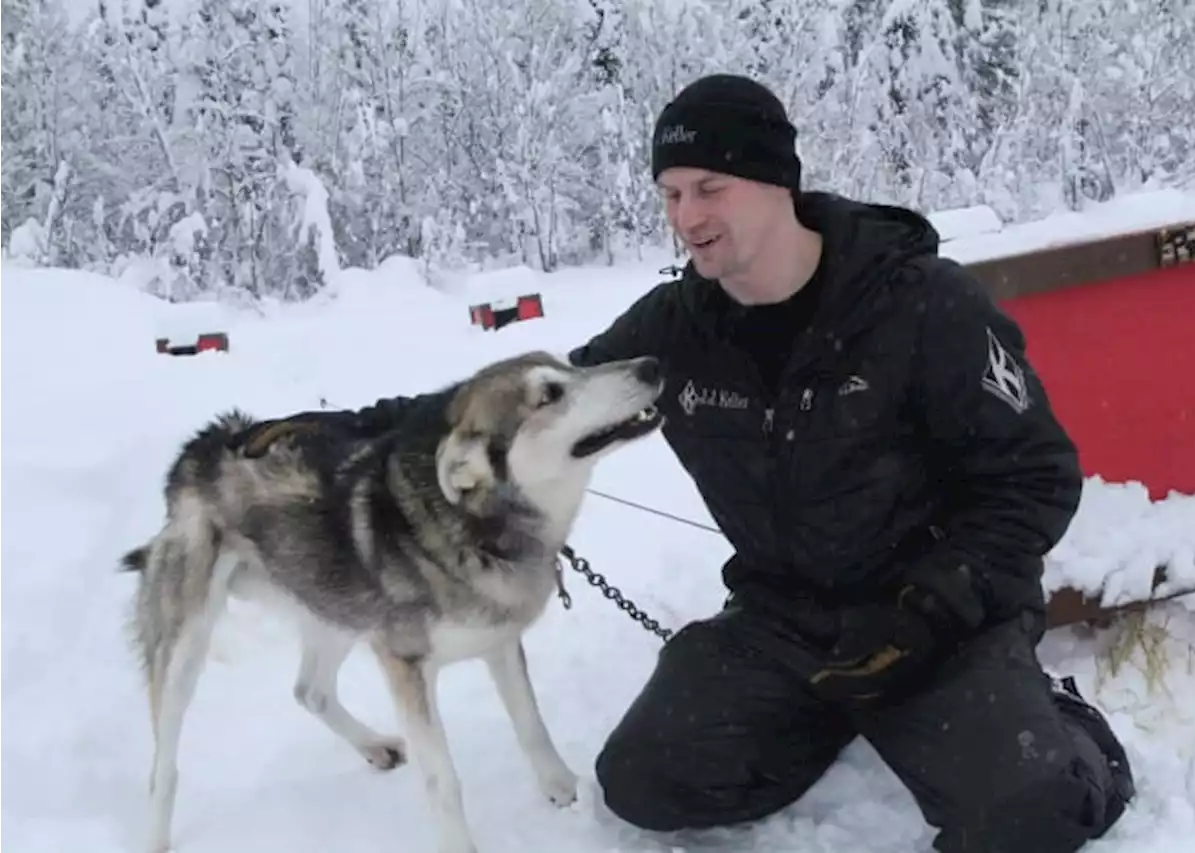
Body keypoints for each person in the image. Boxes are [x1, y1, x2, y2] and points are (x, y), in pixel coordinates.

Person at [239, 72, 1135, 853]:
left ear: (778, 184)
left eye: (710, 186)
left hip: (936, 618)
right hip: (785, 623)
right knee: (646, 783)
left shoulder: (921, 304)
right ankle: (841, 715)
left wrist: (937, 601)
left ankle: (1050, 727)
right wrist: (352, 424)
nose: (687, 217)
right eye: (670, 193)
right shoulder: (679, 327)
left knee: (1030, 811)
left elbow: (1035, 474)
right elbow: (532, 405)